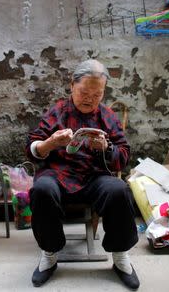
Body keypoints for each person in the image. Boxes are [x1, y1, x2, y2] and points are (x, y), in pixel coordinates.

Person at [25, 59, 140, 290]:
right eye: (84, 92)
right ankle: (50, 253)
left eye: (97, 94)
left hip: (95, 176)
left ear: (103, 92)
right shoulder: (57, 111)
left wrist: (107, 149)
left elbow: (124, 155)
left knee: (119, 190)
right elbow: (31, 148)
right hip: (58, 174)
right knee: (42, 189)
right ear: (71, 86)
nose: (89, 99)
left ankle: (120, 257)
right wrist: (49, 143)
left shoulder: (107, 116)